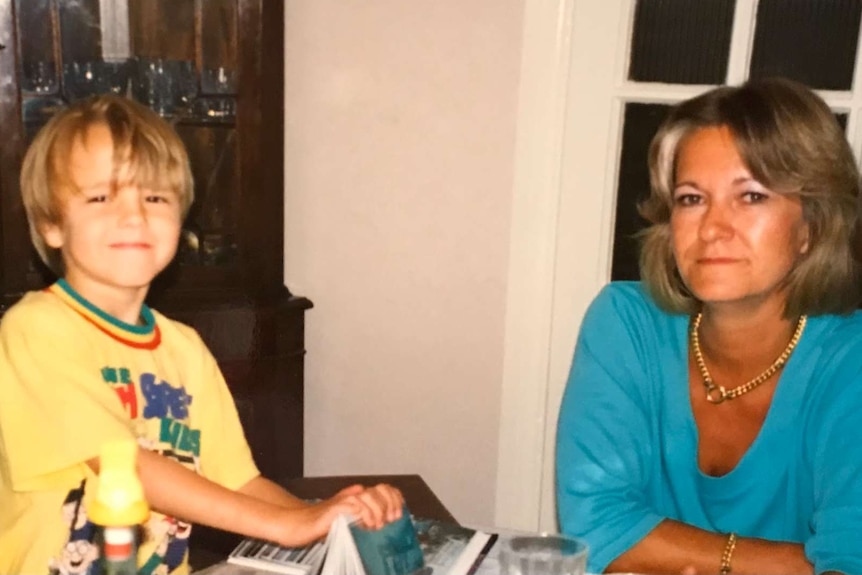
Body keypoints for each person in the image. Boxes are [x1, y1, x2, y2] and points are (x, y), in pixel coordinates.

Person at [0, 94, 404, 575]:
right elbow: (123, 466)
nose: (134, 215)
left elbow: (240, 482)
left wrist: (334, 518)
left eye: (154, 197)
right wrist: (289, 527)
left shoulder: (184, 349)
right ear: (51, 224)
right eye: (101, 197)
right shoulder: (37, 329)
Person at [556, 77, 862, 575]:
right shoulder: (625, 324)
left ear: (813, 226)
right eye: (691, 199)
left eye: (752, 196)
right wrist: (792, 564)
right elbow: (596, 529)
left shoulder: (851, 365)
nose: (713, 228)